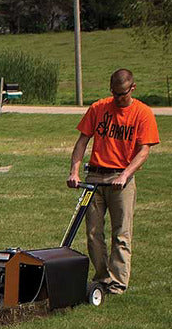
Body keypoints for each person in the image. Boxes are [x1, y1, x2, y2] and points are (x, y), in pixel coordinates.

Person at [67, 69, 159, 295]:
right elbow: (82, 141)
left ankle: (117, 284)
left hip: (121, 180)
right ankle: (102, 279)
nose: (118, 99)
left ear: (132, 89)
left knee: (121, 233)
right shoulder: (98, 108)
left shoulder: (142, 113)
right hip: (95, 179)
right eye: (114, 94)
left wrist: (125, 175)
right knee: (92, 233)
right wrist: (74, 172)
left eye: (122, 94)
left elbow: (143, 151)